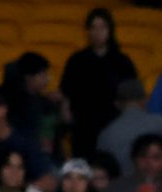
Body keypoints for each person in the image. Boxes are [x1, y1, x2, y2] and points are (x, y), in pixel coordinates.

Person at [60, 14, 141, 160]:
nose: (98, 32)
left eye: (102, 27)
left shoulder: (122, 61)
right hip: (83, 125)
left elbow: (133, 93)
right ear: (87, 31)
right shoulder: (76, 60)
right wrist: (66, 111)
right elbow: (66, 91)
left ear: (110, 30)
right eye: (93, 28)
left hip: (114, 124)